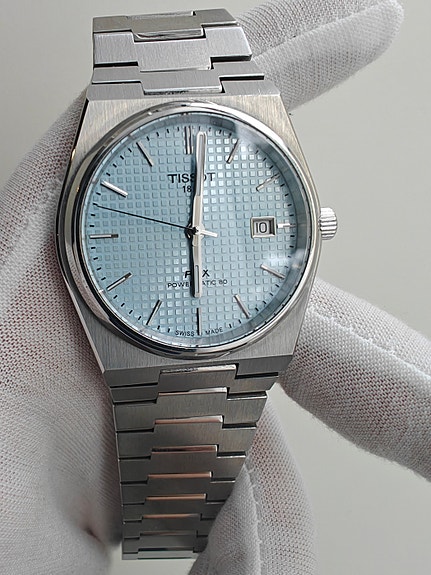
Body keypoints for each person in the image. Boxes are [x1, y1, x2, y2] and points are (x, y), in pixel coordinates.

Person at [1, 1, 429, 574]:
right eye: (192, 229)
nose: (195, 231)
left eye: (198, 228)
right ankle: (161, 530)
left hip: (224, 319)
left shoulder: (269, 188)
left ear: (313, 221)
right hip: (124, 326)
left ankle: (164, 530)